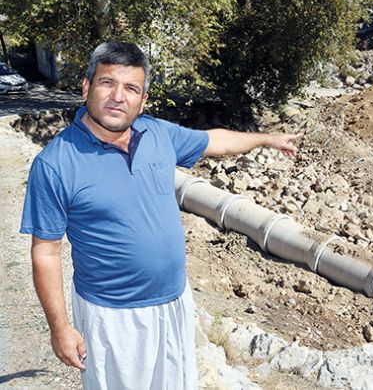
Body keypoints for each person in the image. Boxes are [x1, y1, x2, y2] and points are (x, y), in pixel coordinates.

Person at [20, 41, 302, 389]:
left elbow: (215, 141)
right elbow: (45, 252)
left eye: (131, 88)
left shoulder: (157, 133)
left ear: (143, 100)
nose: (118, 97)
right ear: (86, 86)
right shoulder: (54, 164)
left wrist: (266, 139)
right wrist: (60, 328)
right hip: (112, 316)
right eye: (108, 82)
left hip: (174, 302)